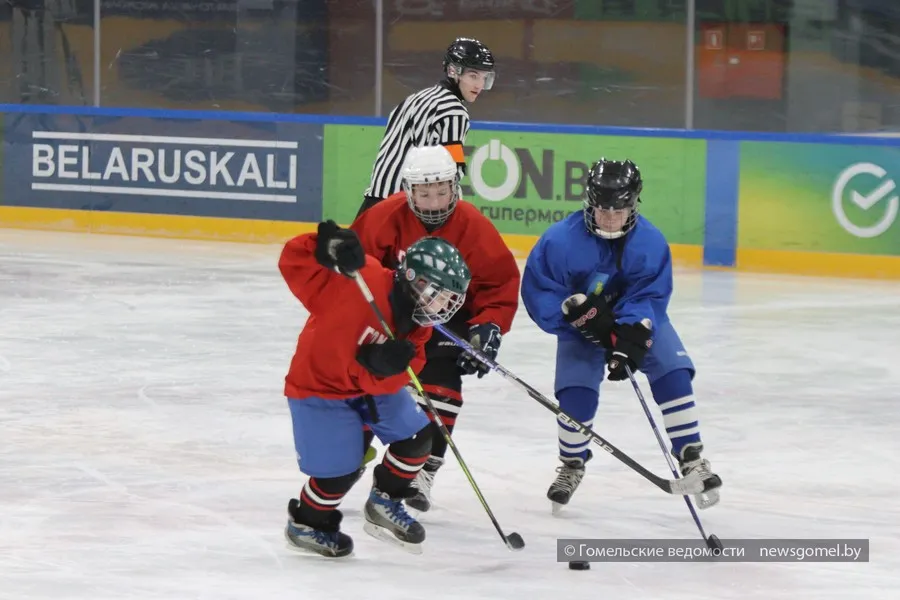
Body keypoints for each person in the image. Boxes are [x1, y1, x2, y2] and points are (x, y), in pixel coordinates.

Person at [519, 158, 722, 513]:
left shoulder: (650, 242)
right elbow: (540, 289)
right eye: (602, 209)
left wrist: (632, 333)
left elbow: (649, 295)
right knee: (574, 396)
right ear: (589, 203)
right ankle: (572, 463)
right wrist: (571, 313)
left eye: (620, 209)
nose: (610, 217)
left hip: (635, 320)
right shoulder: (559, 241)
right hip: (578, 330)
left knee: (672, 371)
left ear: (633, 204)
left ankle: (691, 456)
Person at [277, 220, 472, 557]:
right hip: (319, 389)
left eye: (449, 299)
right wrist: (325, 246)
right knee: (338, 473)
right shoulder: (358, 275)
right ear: (415, 279)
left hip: (369, 389)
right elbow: (293, 261)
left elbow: (410, 370)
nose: (444, 307)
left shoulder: (417, 324)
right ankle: (307, 524)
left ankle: (385, 501)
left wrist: (385, 367)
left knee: (418, 438)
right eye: (440, 296)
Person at [350, 144, 520, 512]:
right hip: (392, 314)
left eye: (441, 190)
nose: (433, 201)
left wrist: (489, 325)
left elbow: (498, 283)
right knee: (364, 378)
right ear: (408, 190)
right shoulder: (383, 217)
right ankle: (351, 450)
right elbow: (354, 274)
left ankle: (423, 468)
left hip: (450, 315)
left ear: (454, 186)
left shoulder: (472, 224)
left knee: (443, 381)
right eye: (424, 192)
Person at [357, 37, 495, 217]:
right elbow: (452, 171)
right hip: (404, 211)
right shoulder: (454, 111)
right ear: (454, 71)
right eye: (473, 76)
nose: (479, 85)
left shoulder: (414, 99)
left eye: (484, 78)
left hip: (372, 205)